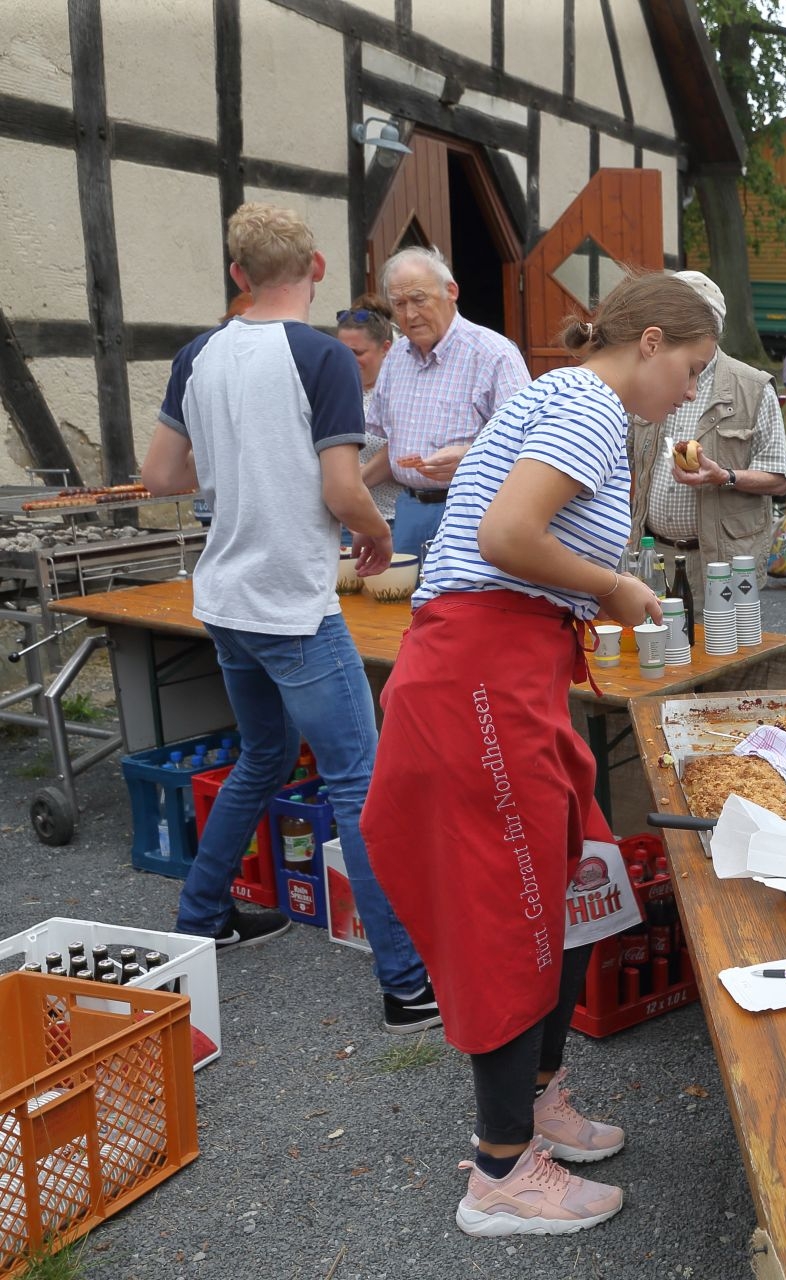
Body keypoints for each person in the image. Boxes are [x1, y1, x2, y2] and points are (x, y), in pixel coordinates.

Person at [364, 270, 715, 1237]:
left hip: (511, 671)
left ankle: (539, 1095)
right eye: (690, 368)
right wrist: (614, 588)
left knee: (579, 880)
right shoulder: (588, 406)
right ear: (649, 342)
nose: (691, 390)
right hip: (479, 673)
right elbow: (507, 534)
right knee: (509, 906)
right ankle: (500, 1170)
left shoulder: (572, 400)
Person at [139, 203, 436, 1034]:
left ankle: (202, 919)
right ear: (316, 268)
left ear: (238, 274)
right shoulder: (322, 356)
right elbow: (344, 489)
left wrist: (236, 460)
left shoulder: (197, 355)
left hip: (226, 598)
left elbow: (161, 475)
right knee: (359, 785)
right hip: (292, 604)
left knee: (264, 756)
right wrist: (377, 534)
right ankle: (406, 985)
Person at [362, 247, 531, 556]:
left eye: (419, 299)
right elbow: (397, 448)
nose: (410, 315)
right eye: (399, 304)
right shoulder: (396, 357)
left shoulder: (494, 354)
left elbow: (527, 441)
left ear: (451, 292)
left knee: (464, 590)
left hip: (472, 508)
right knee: (405, 589)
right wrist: (351, 489)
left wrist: (471, 455)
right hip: (409, 509)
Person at [631, 271, 786, 576]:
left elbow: (780, 479)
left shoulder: (752, 388)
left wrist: (724, 476)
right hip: (653, 554)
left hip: (722, 561)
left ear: (709, 328)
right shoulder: (648, 379)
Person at [334, 295, 403, 525]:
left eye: (357, 352)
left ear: (385, 348)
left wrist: (345, 483)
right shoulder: (332, 390)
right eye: (342, 351)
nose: (347, 360)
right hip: (341, 521)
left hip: (389, 520)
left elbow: (401, 450)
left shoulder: (398, 393)